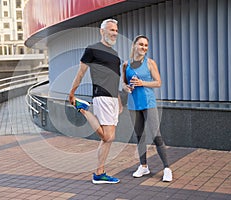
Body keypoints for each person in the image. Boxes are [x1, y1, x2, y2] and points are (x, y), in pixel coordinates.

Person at [69, 19, 122, 184]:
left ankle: (100, 173)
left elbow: (115, 78)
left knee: (108, 138)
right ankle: (84, 109)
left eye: (116, 30)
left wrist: (119, 99)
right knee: (107, 136)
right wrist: (72, 93)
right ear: (102, 31)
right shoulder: (92, 49)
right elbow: (81, 73)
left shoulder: (114, 54)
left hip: (113, 98)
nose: (114, 33)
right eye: (111, 30)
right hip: (101, 95)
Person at [122, 35, 173, 182]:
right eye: (141, 45)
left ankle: (167, 168)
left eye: (146, 45)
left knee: (156, 136)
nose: (144, 48)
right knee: (140, 137)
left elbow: (158, 83)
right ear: (134, 46)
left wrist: (142, 83)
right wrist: (127, 88)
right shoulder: (126, 65)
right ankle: (143, 166)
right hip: (133, 105)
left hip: (149, 103)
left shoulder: (150, 63)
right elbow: (124, 84)